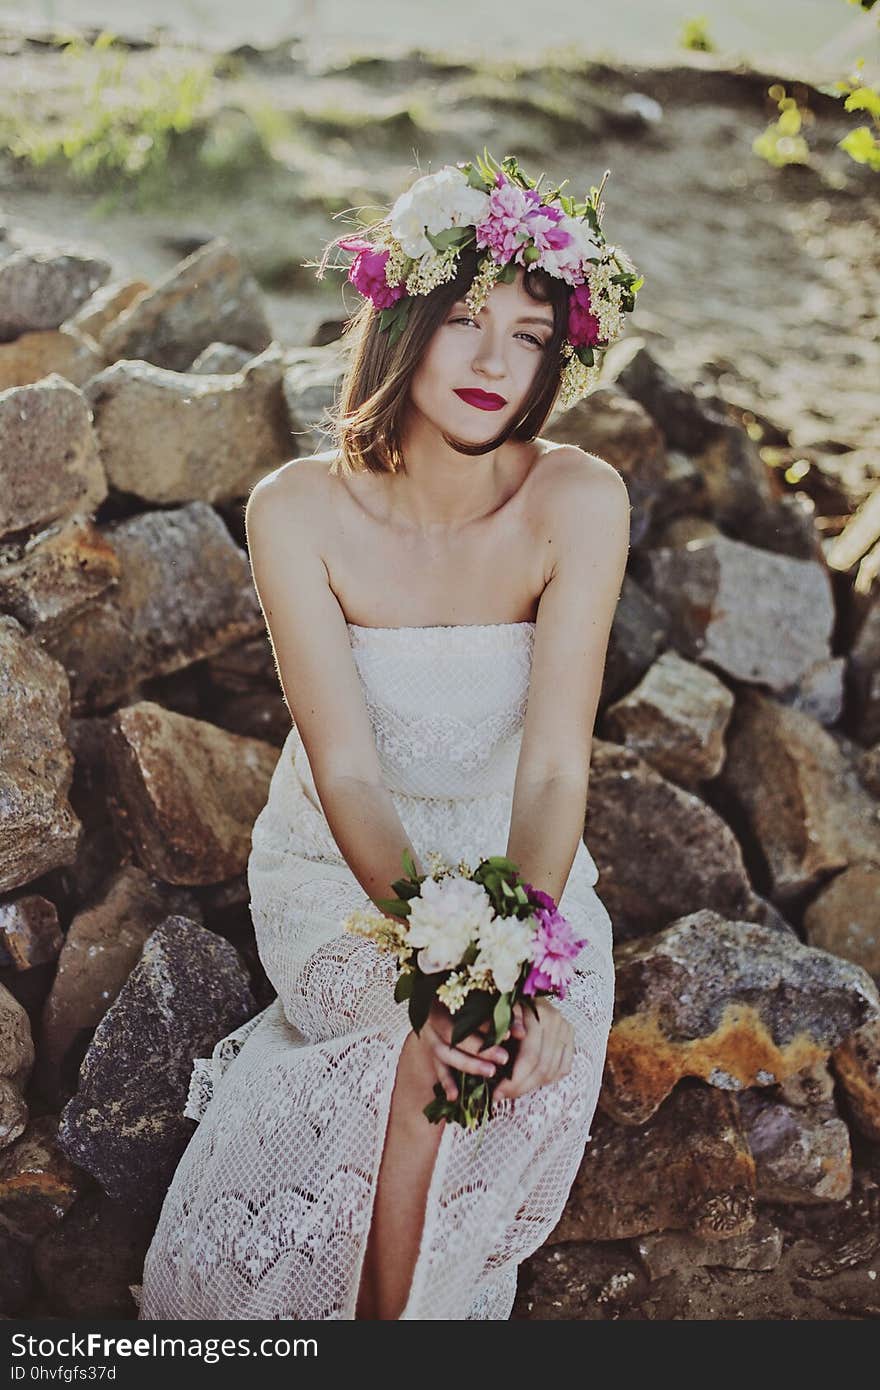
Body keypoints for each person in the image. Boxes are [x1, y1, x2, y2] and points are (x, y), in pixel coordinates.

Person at [137, 153, 636, 1321]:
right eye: (464, 320)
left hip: (529, 883)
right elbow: (348, 768)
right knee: (431, 1048)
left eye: (528, 332)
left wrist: (521, 953)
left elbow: (559, 764)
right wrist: (444, 957)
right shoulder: (297, 511)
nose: (494, 362)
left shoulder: (577, 501)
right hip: (345, 870)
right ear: (401, 317)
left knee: (511, 1061)